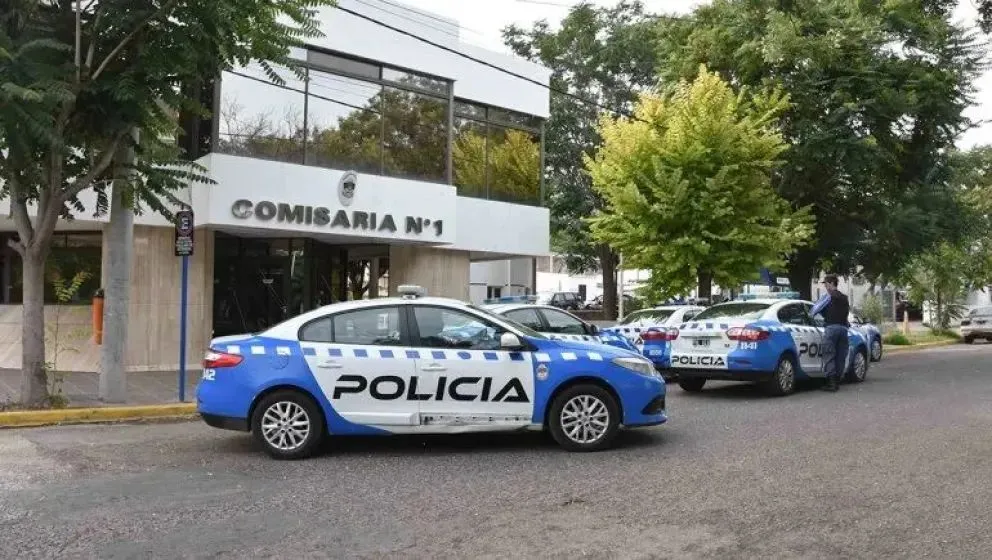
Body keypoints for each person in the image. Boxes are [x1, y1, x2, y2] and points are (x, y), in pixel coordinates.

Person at [810, 274, 850, 392]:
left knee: (829, 355)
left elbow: (814, 311)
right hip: (843, 329)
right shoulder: (844, 297)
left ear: (832, 283)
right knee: (840, 356)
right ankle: (837, 381)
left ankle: (832, 383)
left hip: (831, 328)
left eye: (826, 284)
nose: (825, 286)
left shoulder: (828, 296)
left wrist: (812, 314)